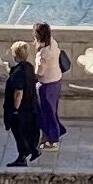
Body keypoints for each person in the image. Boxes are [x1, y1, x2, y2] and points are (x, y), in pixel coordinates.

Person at [1, 42, 43, 166]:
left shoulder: (19, 72)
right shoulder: (29, 67)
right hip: (31, 106)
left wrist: (15, 109)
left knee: (19, 133)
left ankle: (23, 157)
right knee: (28, 131)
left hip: (21, 110)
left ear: (15, 55)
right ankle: (32, 151)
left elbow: (18, 92)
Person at [33, 22, 66, 152]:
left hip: (46, 85)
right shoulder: (53, 43)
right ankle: (54, 133)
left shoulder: (43, 53)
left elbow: (39, 72)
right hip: (56, 82)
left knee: (46, 113)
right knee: (52, 112)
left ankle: (53, 141)